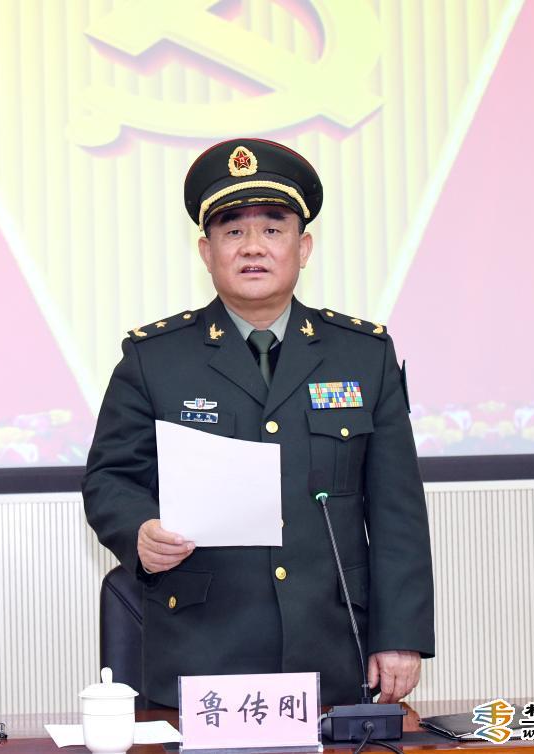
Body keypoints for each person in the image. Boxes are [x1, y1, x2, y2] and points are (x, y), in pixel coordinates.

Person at [83, 138, 434, 708]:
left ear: (304, 246)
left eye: (272, 229)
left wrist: (400, 636)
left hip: (332, 647)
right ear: (206, 251)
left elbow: (397, 510)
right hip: (200, 651)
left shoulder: (362, 356)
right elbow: (109, 480)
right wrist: (138, 530)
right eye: (233, 231)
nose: (253, 247)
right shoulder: (155, 359)